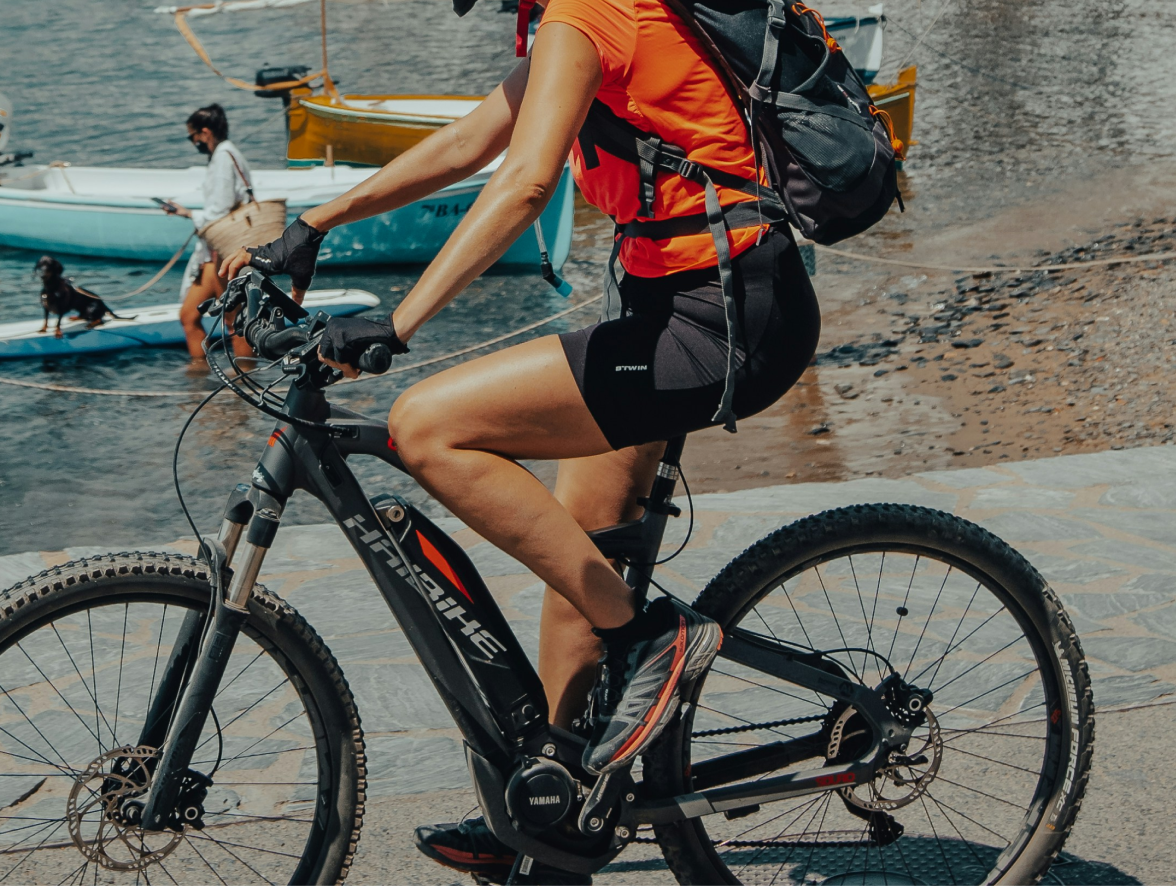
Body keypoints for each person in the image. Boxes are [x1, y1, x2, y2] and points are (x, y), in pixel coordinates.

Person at [222, 0, 821, 878]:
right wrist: (318, 224)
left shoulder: (591, 8)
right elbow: (473, 142)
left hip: (721, 317)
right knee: (575, 566)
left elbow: (526, 182)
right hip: (671, 303)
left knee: (427, 428)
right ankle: (556, 814)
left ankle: (654, 641)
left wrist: (402, 318)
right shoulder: (574, 19)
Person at [160, 103, 253, 362]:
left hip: (222, 252)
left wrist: (189, 214)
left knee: (229, 319)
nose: (193, 143)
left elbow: (219, 211)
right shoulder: (223, 155)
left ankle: (237, 376)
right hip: (215, 252)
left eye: (193, 137)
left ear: (204, 132)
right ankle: (204, 378)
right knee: (199, 317)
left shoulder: (224, 156)